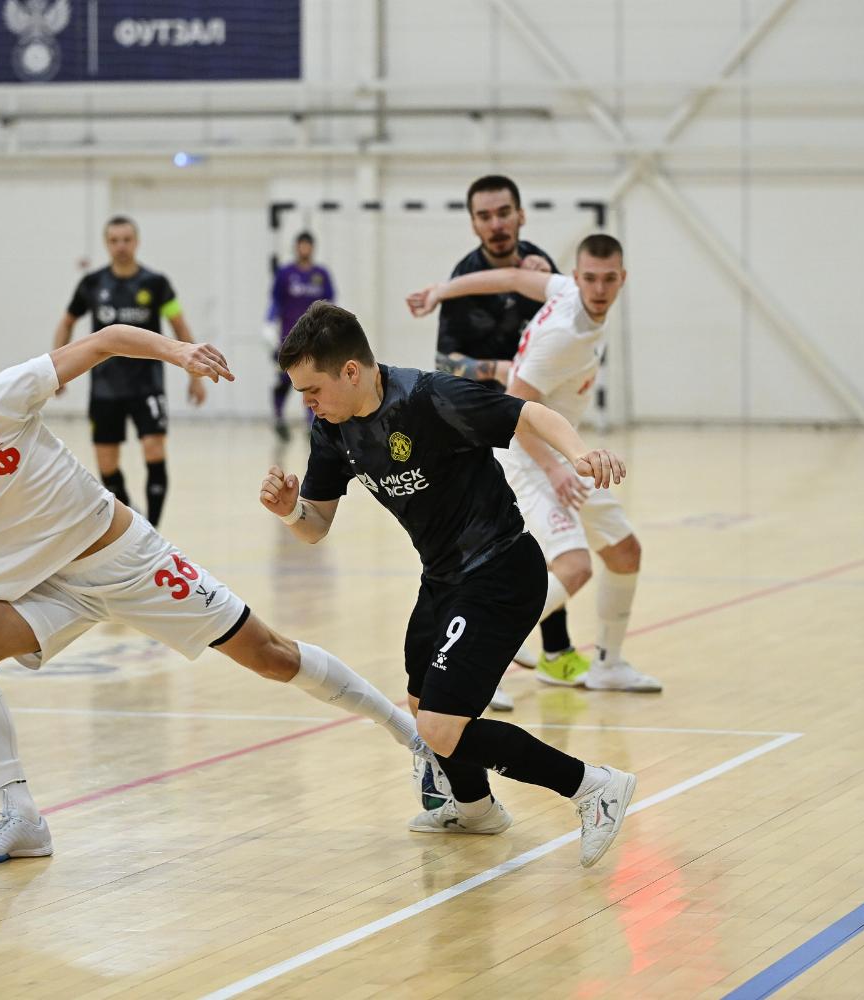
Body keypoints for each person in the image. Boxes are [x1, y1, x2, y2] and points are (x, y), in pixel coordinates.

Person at [0, 325, 435, 866]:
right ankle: (21, 817)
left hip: (124, 559)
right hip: (36, 592)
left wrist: (179, 352)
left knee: (270, 656)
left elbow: (104, 341)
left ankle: (409, 734)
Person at [259, 302, 636, 866]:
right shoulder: (332, 430)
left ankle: (593, 787)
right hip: (442, 578)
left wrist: (581, 455)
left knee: (439, 726)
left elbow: (528, 413)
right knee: (421, 703)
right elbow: (316, 527)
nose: (306, 402)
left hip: (500, 572)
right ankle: (476, 809)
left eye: (312, 389)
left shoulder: (429, 398)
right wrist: (291, 511)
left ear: (351, 371)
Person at [410, 233, 660, 692]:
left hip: (564, 451)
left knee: (624, 551)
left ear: (622, 278)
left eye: (608, 279)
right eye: (590, 279)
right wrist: (554, 469)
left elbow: (508, 277)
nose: (598, 288)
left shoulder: (564, 290)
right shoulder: (564, 336)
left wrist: (442, 290)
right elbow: (517, 410)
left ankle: (607, 665)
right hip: (528, 454)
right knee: (574, 566)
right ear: (578, 276)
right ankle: (472, 652)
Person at [435, 174, 587, 703]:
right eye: (485, 216)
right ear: (473, 223)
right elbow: (445, 363)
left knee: (538, 539)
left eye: (504, 212)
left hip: (528, 426)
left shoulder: (541, 271)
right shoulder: (465, 279)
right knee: (485, 550)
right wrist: (502, 370)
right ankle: (471, 660)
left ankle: (555, 651)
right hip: (474, 430)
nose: (496, 224)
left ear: (521, 215)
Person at [53, 215, 204, 527]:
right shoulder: (92, 284)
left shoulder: (156, 284)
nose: (120, 246)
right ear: (106, 244)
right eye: (114, 240)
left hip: (147, 385)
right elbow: (67, 322)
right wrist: (57, 371)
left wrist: (195, 377)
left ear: (136, 242)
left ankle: (154, 530)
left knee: (154, 448)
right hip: (105, 388)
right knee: (107, 464)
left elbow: (179, 326)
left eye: (126, 240)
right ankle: (135, 524)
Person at [267, 231, 337, 443]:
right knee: (284, 380)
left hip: (314, 340)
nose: (304, 249)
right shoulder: (285, 274)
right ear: (296, 247)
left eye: (308, 245)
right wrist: (268, 324)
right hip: (288, 338)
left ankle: (312, 423)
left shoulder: (321, 275)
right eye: (301, 245)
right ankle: (279, 418)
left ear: (312, 248)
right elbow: (276, 302)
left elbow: (330, 304)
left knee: (313, 381)